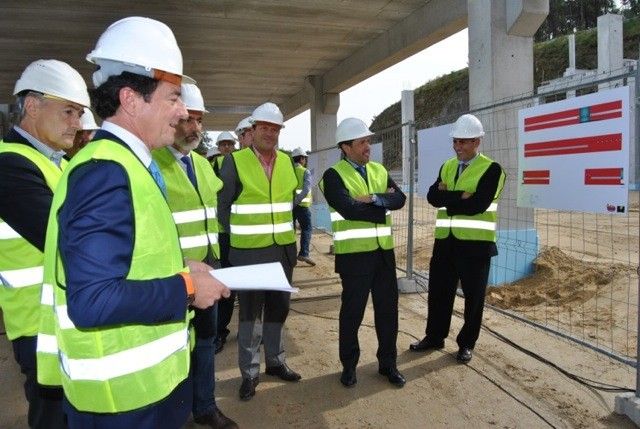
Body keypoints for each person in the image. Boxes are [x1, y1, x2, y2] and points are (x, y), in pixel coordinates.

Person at [37, 17, 230, 429]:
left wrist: (182, 268)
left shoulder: (129, 165)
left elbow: (132, 262)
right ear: (130, 99)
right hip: (121, 404)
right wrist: (189, 287)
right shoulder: (106, 172)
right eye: (174, 97)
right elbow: (92, 300)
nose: (183, 113)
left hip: (141, 395)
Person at [0, 59, 89, 429]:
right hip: (38, 324)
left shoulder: (55, 163)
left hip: (63, 317)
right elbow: (68, 238)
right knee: (53, 418)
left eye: (80, 114)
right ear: (32, 106)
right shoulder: (11, 165)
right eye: (68, 111)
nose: (78, 123)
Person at [152, 83, 237, 429]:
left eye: (199, 121)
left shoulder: (203, 166)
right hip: (171, 275)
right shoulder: (151, 163)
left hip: (208, 269)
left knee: (204, 343)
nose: (195, 128)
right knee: (171, 349)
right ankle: (175, 414)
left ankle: (204, 407)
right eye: (188, 120)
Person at [218, 102, 300, 401]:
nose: (270, 133)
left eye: (275, 128)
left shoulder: (288, 162)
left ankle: (275, 362)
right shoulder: (235, 162)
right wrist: (238, 241)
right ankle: (250, 373)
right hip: (249, 253)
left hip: (282, 251)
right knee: (250, 316)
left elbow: (288, 203)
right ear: (252, 131)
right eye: (264, 127)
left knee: (279, 309)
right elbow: (222, 208)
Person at [409, 113, 505, 364]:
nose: (458, 147)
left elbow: (478, 204)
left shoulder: (492, 169)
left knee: (473, 300)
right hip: (445, 243)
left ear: (477, 142)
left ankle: (466, 344)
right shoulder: (448, 166)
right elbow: (432, 197)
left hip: (476, 246)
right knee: (438, 293)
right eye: (456, 141)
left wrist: (448, 197)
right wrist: (459, 196)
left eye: (463, 142)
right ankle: (434, 336)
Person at [320, 117, 406, 388]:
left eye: (368, 141)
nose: (368, 146)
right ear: (346, 147)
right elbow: (348, 209)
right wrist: (383, 204)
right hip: (354, 258)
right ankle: (349, 365)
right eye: (362, 142)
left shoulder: (379, 170)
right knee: (352, 313)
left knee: (387, 312)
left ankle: (388, 364)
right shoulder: (333, 176)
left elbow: (400, 198)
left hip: (383, 256)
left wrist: (374, 199)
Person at [291, 147, 315, 266]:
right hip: (302, 206)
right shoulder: (305, 171)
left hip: (290, 206)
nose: (305, 160)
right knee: (307, 228)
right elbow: (306, 190)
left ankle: (290, 255)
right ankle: (304, 254)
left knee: (291, 231)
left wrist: (292, 203)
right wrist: (296, 201)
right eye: (304, 158)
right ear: (301, 159)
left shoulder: (288, 171)